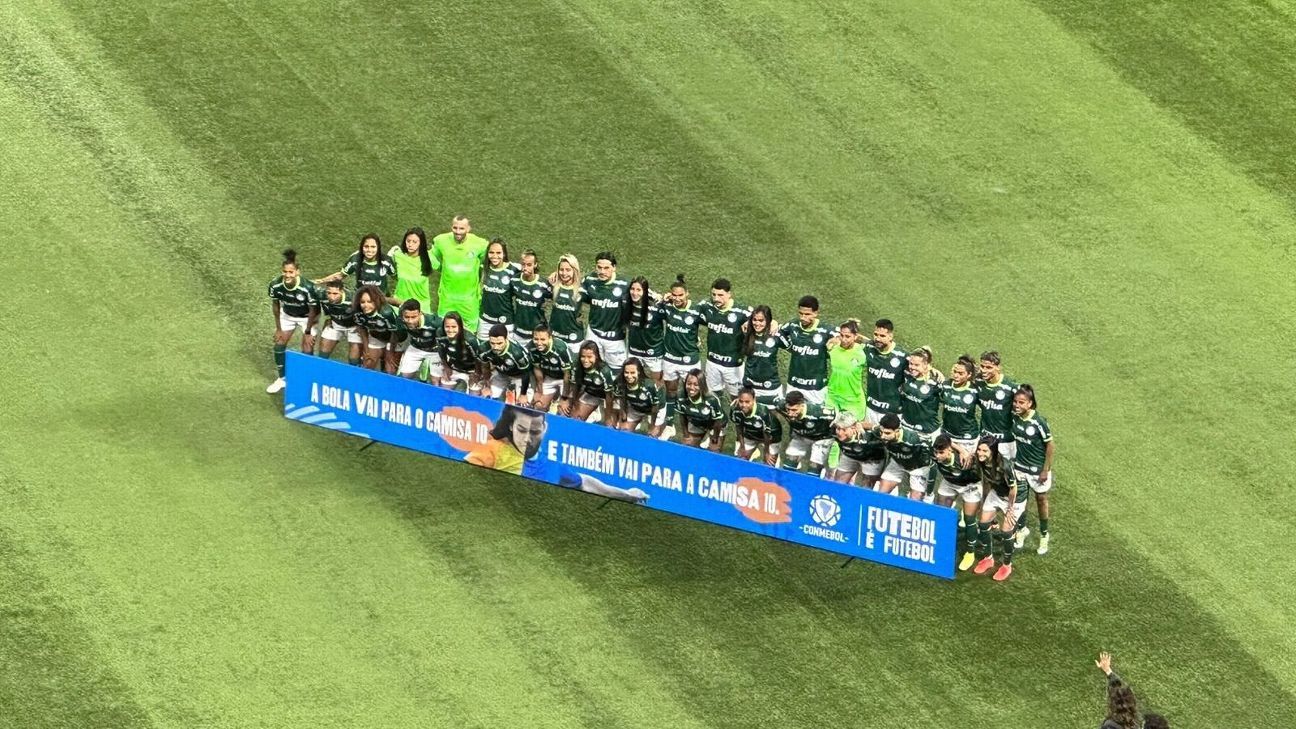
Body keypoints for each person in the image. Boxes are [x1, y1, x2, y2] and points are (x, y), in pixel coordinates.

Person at [266, 249, 320, 393]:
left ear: (297, 271)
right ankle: (282, 379)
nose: (287, 275)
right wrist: (278, 329)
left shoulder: (308, 287)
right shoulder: (275, 285)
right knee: (279, 344)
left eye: (291, 272)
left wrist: (308, 331)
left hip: (307, 318)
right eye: (285, 272)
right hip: (287, 315)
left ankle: (306, 380)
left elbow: (314, 310)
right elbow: (276, 305)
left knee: (307, 347)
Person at [971, 435, 1024, 581]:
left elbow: (1013, 488)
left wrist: (1010, 509)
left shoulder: (1004, 465)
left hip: (1014, 497)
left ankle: (1007, 565)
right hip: (997, 492)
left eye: (984, 451)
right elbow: (987, 480)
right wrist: (984, 500)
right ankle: (989, 558)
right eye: (979, 449)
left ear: (993, 452)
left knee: (1006, 530)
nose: (980, 453)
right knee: (983, 523)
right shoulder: (982, 461)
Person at [1011, 384, 1055, 555]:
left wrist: (1046, 470)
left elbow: (1050, 445)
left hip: (1037, 470)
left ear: (1030, 404)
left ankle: (1044, 535)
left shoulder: (1039, 422)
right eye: (1015, 402)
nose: (1017, 405)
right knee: (1019, 502)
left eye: (1021, 402)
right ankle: (1021, 530)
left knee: (1041, 499)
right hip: (1020, 467)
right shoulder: (1014, 417)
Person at [932, 434, 984, 570]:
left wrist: (964, 452)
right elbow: (940, 437)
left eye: (941, 453)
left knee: (969, 519)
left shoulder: (965, 462)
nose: (937, 456)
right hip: (949, 483)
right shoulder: (934, 454)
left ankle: (970, 552)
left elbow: (980, 475)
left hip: (969, 486)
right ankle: (942, 543)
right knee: (941, 513)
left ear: (949, 450)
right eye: (936, 452)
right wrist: (961, 448)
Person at [431, 215, 490, 328]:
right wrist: (440, 267)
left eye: (461, 228)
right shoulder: (441, 241)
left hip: (469, 301)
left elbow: (487, 262)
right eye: (455, 228)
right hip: (447, 299)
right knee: (444, 330)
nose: (458, 232)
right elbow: (431, 255)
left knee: (470, 333)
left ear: (468, 228)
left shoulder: (480, 244)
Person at [659, 275, 704, 422]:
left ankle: (695, 421)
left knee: (694, 392)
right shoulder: (667, 307)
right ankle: (670, 423)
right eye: (674, 295)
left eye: (680, 295)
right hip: (670, 358)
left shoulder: (697, 310)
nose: (677, 298)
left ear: (687, 294)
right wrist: (662, 299)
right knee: (671, 391)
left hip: (689, 360)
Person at [697, 278, 750, 400]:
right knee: (712, 395)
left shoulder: (741, 311)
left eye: (720, 295)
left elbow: (762, 318)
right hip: (712, 362)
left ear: (729, 294)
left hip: (733, 365)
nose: (716, 298)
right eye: (714, 294)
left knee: (737, 397)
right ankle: (717, 416)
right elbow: (690, 310)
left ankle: (739, 418)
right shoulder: (707, 306)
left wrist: (772, 322)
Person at [777, 295, 833, 404]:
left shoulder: (826, 330)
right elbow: (778, 332)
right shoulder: (793, 325)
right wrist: (789, 347)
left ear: (816, 313)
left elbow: (845, 336)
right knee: (792, 414)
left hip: (816, 386)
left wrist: (837, 339)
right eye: (801, 313)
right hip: (794, 383)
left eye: (807, 314)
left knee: (816, 417)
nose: (803, 317)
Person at [580, 251, 630, 370]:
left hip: (615, 338)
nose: (602, 272)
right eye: (599, 267)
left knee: (617, 371)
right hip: (593, 333)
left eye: (606, 268)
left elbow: (643, 293)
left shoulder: (625, 284)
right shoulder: (589, 280)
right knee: (589, 367)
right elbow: (574, 286)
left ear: (614, 268)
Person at [465, 405, 547, 475]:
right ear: (511, 426)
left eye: (535, 432)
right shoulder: (494, 449)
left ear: (544, 429)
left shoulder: (547, 459)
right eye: (521, 430)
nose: (527, 439)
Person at [775, 390, 837, 475]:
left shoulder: (818, 411)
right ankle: (788, 485)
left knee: (814, 468)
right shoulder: (781, 406)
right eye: (788, 409)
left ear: (802, 405)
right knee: (789, 462)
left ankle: (814, 483)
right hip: (800, 435)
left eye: (794, 410)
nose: (790, 413)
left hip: (821, 438)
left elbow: (838, 417)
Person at [316, 234, 396, 299]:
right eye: (366, 246)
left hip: (381, 298)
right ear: (362, 247)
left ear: (378, 248)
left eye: (373, 247)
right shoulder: (355, 260)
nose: (369, 250)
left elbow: (396, 277)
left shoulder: (386, 261)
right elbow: (341, 275)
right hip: (361, 299)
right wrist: (320, 281)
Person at [874, 413, 934, 500]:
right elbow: (870, 426)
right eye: (881, 432)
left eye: (887, 433)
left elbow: (933, 463)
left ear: (897, 430)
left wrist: (929, 491)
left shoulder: (913, 440)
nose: (883, 436)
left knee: (915, 500)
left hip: (917, 468)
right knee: (881, 494)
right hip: (898, 463)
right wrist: (859, 426)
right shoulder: (881, 432)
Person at [863, 318, 909, 426]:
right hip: (870, 408)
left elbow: (918, 366)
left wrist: (931, 369)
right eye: (876, 334)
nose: (877, 338)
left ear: (890, 336)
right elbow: (861, 340)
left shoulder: (902, 357)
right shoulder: (869, 348)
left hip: (891, 412)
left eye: (882, 336)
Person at [352, 284, 405, 373]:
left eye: (370, 301)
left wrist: (390, 353)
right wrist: (366, 350)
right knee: (368, 363)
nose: (366, 305)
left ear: (376, 301)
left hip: (398, 337)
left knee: (390, 367)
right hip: (377, 335)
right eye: (362, 302)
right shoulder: (357, 312)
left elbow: (394, 334)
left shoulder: (386, 313)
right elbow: (362, 329)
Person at [977, 350, 1018, 465]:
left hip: (1005, 442)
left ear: (998, 367)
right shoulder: (979, 383)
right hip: (985, 440)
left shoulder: (1010, 387)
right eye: (982, 366)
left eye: (989, 367)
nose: (984, 370)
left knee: (1006, 476)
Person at [478, 238, 521, 342]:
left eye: (498, 253)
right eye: (491, 252)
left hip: (505, 321)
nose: (494, 256)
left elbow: (532, 271)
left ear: (504, 254)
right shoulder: (483, 268)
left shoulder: (514, 269)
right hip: (485, 320)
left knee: (505, 352)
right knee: (483, 351)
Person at [625, 276, 665, 386]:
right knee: (634, 381)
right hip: (634, 350)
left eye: (638, 290)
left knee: (657, 383)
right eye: (632, 289)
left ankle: (658, 402)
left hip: (653, 351)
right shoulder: (626, 302)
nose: (634, 293)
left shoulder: (656, 306)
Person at [477, 323, 532, 403]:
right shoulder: (483, 349)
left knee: (522, 404)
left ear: (506, 339)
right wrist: (487, 386)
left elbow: (526, 374)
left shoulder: (517, 353)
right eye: (492, 343)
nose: (495, 347)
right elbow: (485, 367)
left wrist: (523, 394)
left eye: (499, 343)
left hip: (519, 377)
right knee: (488, 398)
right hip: (501, 374)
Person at [829, 411, 887, 488]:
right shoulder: (833, 430)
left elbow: (883, 433)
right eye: (838, 428)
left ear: (853, 428)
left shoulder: (870, 436)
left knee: (865, 487)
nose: (839, 433)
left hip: (871, 459)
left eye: (844, 429)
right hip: (849, 455)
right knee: (838, 483)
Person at [898, 346, 943, 443]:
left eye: (916, 365)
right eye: (911, 364)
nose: (912, 367)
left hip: (926, 431)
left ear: (926, 364)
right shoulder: (906, 374)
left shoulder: (935, 381)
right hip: (906, 427)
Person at [741, 305, 783, 405]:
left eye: (761, 320)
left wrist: (775, 323)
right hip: (749, 385)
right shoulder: (746, 332)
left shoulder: (775, 335)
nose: (757, 323)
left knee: (774, 416)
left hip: (770, 386)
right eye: (754, 320)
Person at [825, 319, 868, 418]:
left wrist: (854, 325)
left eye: (848, 336)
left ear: (855, 336)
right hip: (832, 396)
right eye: (842, 335)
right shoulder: (833, 347)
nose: (844, 339)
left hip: (852, 400)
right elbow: (829, 343)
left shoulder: (862, 350)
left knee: (850, 431)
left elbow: (872, 342)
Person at [729, 387, 783, 466]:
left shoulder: (762, 412)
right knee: (740, 459)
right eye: (741, 401)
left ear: (754, 400)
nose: (744, 405)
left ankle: (775, 458)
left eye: (747, 402)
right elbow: (738, 427)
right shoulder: (735, 410)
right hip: (751, 433)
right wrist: (742, 446)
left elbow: (767, 433)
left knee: (769, 464)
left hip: (771, 437)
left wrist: (766, 452)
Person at [940, 354, 982, 455]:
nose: (956, 375)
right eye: (955, 372)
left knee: (964, 467)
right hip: (947, 435)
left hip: (967, 439)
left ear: (969, 375)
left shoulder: (975, 390)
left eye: (960, 373)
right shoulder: (945, 386)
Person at [614, 357, 667, 437]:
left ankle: (662, 428)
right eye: (626, 372)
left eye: (632, 373)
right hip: (635, 407)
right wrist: (624, 420)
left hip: (655, 410)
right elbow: (622, 400)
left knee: (653, 436)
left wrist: (653, 425)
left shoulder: (649, 386)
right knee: (624, 432)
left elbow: (655, 407)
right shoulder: (619, 382)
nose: (629, 376)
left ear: (638, 372)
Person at [509, 248, 551, 347]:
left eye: (529, 265)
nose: (525, 268)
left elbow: (556, 298)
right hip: (518, 332)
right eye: (523, 264)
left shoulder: (543, 284)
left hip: (536, 334)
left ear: (535, 265)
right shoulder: (515, 280)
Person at [675, 369, 725, 450]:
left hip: (715, 426)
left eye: (696, 384)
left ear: (702, 385)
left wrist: (715, 438)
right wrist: (686, 435)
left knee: (714, 451)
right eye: (689, 384)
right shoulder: (681, 396)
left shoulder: (711, 399)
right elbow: (682, 415)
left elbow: (718, 421)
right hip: (697, 422)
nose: (692, 388)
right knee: (689, 447)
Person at [528, 325, 573, 413]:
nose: (539, 343)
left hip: (565, 379)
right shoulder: (531, 347)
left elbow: (567, 374)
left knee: (563, 410)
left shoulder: (560, 349)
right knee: (538, 406)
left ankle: (559, 399)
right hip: (549, 377)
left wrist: (564, 398)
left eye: (543, 339)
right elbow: (537, 369)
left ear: (550, 338)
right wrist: (539, 390)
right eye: (536, 339)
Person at [316, 279, 362, 366]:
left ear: (342, 291)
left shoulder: (353, 299)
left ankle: (353, 375)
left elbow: (365, 313)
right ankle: (321, 374)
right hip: (336, 324)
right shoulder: (322, 295)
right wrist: (329, 319)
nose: (331, 297)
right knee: (323, 352)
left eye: (335, 294)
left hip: (354, 327)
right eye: (329, 293)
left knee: (354, 359)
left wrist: (361, 328)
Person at [396, 299, 444, 381]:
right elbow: (395, 302)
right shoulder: (400, 319)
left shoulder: (434, 322)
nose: (410, 321)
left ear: (420, 314)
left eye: (414, 317)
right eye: (407, 317)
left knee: (436, 381)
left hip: (435, 351)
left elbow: (454, 326)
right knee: (405, 377)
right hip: (415, 348)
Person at [569, 341, 616, 424]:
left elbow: (610, 395)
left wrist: (608, 416)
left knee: (610, 424)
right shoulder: (577, 366)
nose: (586, 360)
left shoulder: (604, 371)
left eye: (589, 357)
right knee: (575, 417)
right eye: (583, 356)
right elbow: (575, 386)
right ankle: (594, 413)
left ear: (596, 356)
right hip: (592, 394)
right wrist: (574, 403)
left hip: (610, 397)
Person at [388, 227, 433, 311]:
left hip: (421, 307)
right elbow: (392, 274)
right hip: (400, 304)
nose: (410, 244)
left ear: (421, 243)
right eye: (408, 241)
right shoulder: (397, 256)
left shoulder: (429, 258)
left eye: (414, 242)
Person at [1095, 652, 1142, 729]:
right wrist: (1108, 671)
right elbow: (1118, 690)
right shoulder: (1136, 721)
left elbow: (1118, 690)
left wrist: (1108, 671)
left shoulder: (1110, 725)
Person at [547, 253, 586, 347]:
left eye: (568, 270)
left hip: (574, 339)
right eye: (561, 270)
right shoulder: (553, 285)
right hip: (555, 336)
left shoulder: (582, 289)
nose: (564, 273)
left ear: (574, 270)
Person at [436, 312, 481, 392]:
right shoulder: (440, 334)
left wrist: (477, 374)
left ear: (460, 327)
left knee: (474, 396)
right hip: (454, 367)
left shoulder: (470, 340)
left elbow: (478, 359)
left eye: (454, 327)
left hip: (471, 371)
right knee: (444, 393)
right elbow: (441, 351)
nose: (450, 330)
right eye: (447, 326)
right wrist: (446, 367)